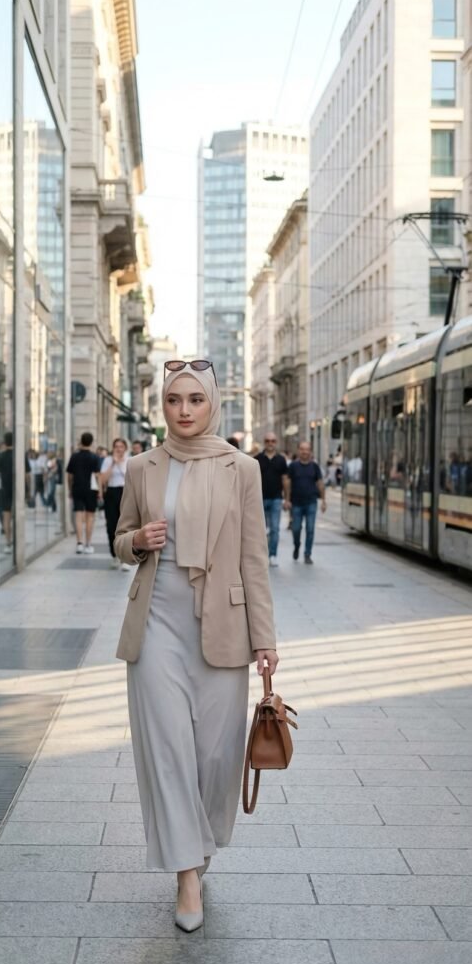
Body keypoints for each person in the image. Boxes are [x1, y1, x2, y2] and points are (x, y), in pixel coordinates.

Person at [114, 359, 279, 932]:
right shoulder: (142, 466)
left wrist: (265, 637)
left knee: (214, 756)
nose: (183, 410)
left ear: (212, 404)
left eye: (195, 400)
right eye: (173, 400)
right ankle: (187, 875)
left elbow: (254, 558)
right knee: (168, 751)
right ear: (163, 405)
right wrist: (137, 540)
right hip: (156, 624)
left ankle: (199, 843)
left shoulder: (242, 468)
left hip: (223, 627)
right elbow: (120, 539)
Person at [284, 440, 326, 564]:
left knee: (310, 529)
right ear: (298, 451)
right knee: (296, 528)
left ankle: (307, 554)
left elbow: (320, 483)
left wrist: (324, 501)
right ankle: (297, 545)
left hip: (311, 502)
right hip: (296, 503)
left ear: (310, 452)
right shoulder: (293, 466)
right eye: (302, 449)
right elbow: (287, 483)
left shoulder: (315, 466)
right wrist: (287, 500)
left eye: (307, 449)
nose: (304, 452)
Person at [255, 432, 288, 567]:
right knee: (260, 530)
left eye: (273, 441)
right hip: (259, 499)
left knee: (274, 528)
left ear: (276, 443)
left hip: (276, 499)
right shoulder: (257, 459)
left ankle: (272, 555)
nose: (270, 443)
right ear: (264, 442)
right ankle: (261, 556)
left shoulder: (281, 460)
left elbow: (285, 480)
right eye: (268, 441)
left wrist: (287, 499)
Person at [66, 433, 101, 554]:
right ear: (91, 442)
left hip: (77, 488)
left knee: (78, 516)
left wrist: (70, 489)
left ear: (81, 441)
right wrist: (100, 491)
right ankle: (88, 544)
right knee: (90, 517)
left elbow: (69, 475)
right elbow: (98, 476)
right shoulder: (95, 457)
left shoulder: (74, 456)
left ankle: (79, 543)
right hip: (91, 489)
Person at [100, 438, 130, 570]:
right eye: (116, 446)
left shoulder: (130, 460)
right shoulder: (108, 460)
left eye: (121, 446)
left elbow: (131, 479)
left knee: (126, 526)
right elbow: (103, 479)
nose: (118, 449)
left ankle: (125, 558)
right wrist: (113, 463)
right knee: (111, 526)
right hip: (111, 493)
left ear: (125, 448)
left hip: (126, 493)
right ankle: (115, 555)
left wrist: (120, 464)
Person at [0, 433, 15, 554]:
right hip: (17, 490)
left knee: (6, 517)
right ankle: (17, 540)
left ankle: (8, 542)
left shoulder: (1, 456)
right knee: (17, 515)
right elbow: (27, 475)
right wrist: (28, 491)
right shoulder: (19, 456)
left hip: (4, 489)